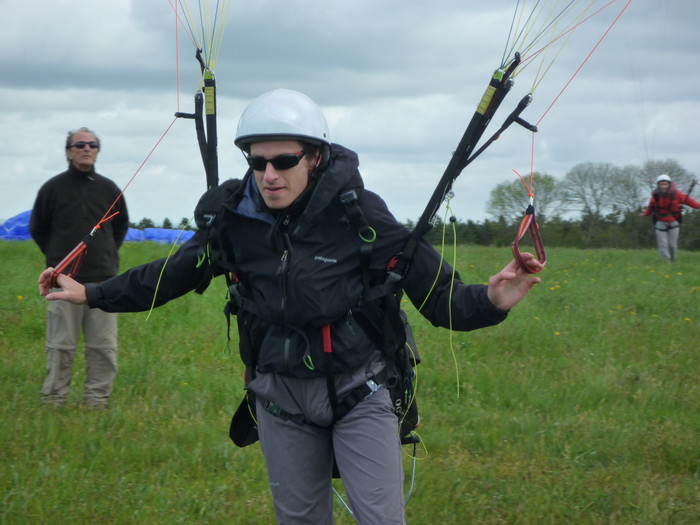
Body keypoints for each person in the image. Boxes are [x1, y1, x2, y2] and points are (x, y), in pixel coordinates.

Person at [39, 90, 542, 524]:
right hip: (279, 397)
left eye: (284, 161)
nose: (269, 175)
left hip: (359, 391)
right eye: (258, 162)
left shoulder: (360, 215)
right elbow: (172, 272)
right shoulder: (235, 220)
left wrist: (494, 299)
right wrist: (92, 293)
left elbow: (441, 297)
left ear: (315, 158)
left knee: (381, 517)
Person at [31, 127, 129, 408]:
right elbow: (38, 228)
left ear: (98, 150)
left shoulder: (109, 188)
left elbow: (121, 226)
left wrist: (106, 254)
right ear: (68, 151)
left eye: (93, 144)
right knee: (60, 346)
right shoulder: (52, 188)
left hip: (103, 284)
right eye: (81, 144)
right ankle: (54, 399)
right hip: (63, 283)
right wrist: (57, 261)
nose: (87, 148)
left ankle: (96, 401)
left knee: (103, 348)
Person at [642, 173, 699, 262]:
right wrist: (645, 214)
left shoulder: (677, 194)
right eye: (661, 184)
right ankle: (666, 263)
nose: (663, 187)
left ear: (669, 184)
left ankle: (673, 261)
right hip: (660, 222)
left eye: (665, 184)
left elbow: (691, 202)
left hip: (673, 222)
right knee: (663, 244)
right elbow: (651, 207)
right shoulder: (655, 196)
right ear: (658, 185)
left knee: (672, 245)